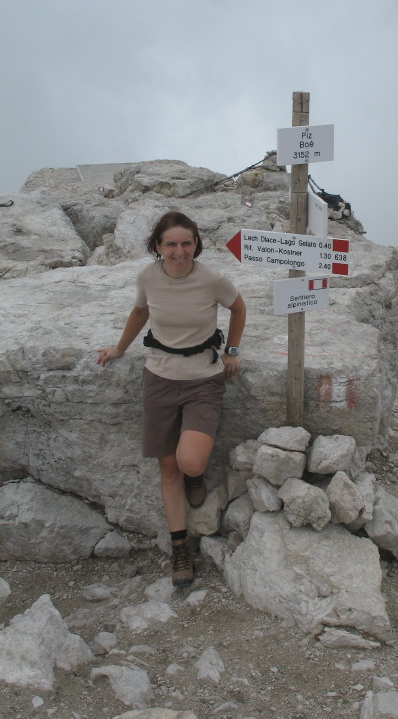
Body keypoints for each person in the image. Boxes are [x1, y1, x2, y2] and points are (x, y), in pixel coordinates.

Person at [97, 211, 246, 586]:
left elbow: (238, 307)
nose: (180, 251)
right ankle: (181, 549)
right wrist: (119, 347)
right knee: (168, 470)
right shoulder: (148, 276)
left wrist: (232, 350)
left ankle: (195, 476)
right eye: (171, 244)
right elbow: (140, 311)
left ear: (196, 243)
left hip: (203, 379)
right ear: (157, 246)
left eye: (187, 243)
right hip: (159, 378)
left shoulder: (212, 278)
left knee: (190, 462)